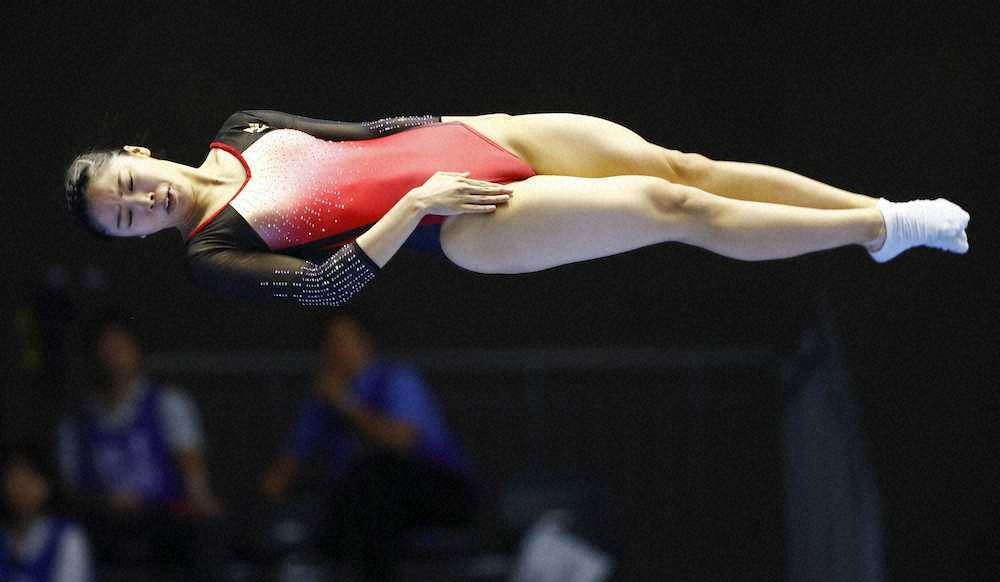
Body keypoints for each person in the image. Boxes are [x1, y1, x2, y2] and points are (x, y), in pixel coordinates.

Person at [63, 111, 970, 307]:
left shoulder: (241, 127)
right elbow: (324, 285)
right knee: (669, 204)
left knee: (682, 160)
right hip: (459, 223)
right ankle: (885, 228)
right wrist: (417, 199)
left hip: (474, 139)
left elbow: (358, 136)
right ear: (140, 237)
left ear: (137, 156)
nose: (144, 203)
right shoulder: (212, 253)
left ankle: (877, 209)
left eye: (128, 187)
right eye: (127, 219)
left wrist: (453, 127)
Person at [260, 312, 476, 582]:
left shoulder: (396, 379)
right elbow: (291, 460)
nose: (335, 350)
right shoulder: (323, 399)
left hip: (439, 489)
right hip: (372, 504)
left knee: (374, 473)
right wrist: (265, 497)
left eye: (342, 340)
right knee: (361, 498)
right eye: (329, 343)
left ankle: (324, 556)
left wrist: (346, 404)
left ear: (365, 343)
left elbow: (402, 441)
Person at [56, 311, 224, 576]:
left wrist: (200, 502)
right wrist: (105, 500)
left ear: (137, 351)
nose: (114, 357)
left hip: (161, 517)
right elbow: (70, 487)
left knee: (206, 530)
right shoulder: (77, 419)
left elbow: (192, 470)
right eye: (106, 348)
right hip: (104, 520)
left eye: (120, 346)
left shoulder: (167, 403)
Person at [1, 445, 94, 582]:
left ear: (47, 484)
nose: (21, 486)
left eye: (30, 477)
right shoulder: (4, 537)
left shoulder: (68, 538)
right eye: (14, 477)